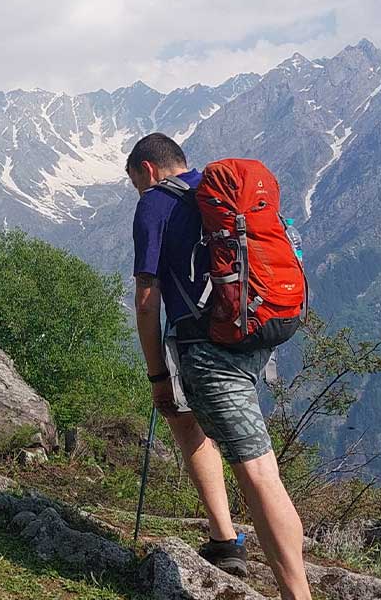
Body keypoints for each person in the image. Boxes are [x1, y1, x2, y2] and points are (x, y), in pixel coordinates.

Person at [127, 133, 311, 600]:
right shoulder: (217, 191)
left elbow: (147, 302)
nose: (138, 191)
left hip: (209, 351)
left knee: (258, 472)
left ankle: (297, 593)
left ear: (147, 170)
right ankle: (223, 540)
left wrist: (156, 375)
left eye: (135, 182)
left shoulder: (154, 204)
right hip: (257, 330)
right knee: (189, 422)